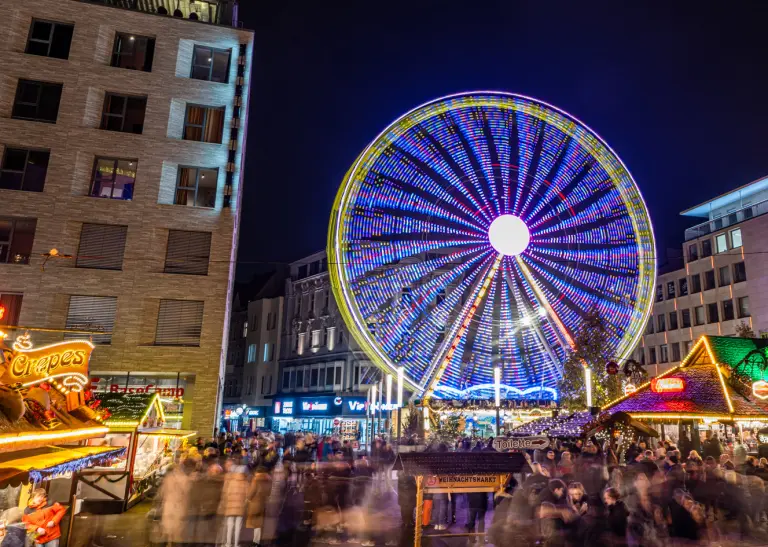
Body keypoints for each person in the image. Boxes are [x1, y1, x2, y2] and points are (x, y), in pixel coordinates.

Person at [219, 459, 249, 547]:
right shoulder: (245, 482)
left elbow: (225, 493)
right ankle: (236, 544)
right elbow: (248, 496)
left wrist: (225, 503)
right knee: (238, 526)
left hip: (230, 506)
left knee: (229, 525)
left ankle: (228, 543)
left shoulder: (230, 481)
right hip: (240, 507)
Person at [246, 466, 273, 547]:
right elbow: (269, 493)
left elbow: (251, 492)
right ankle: (256, 542)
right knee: (259, 524)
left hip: (255, 503)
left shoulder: (256, 480)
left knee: (255, 523)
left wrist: (247, 499)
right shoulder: (269, 480)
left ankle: (255, 542)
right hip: (263, 503)